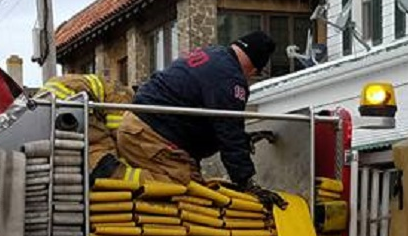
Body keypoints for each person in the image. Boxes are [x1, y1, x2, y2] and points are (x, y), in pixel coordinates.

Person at [116, 31, 276, 198]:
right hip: (153, 137)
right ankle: (116, 181)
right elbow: (229, 132)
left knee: (175, 192)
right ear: (254, 68)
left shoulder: (212, 55)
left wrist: (242, 140)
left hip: (134, 126)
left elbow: (206, 119)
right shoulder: (230, 78)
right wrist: (246, 183)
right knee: (194, 198)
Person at [36, 73, 135, 181]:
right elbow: (119, 132)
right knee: (101, 150)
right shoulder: (123, 95)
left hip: (47, 105)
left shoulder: (109, 86)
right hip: (73, 102)